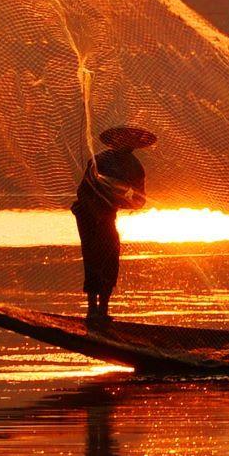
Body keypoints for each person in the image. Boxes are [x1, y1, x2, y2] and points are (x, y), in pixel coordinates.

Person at [72, 126, 154, 327]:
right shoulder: (99, 160)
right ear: (114, 142)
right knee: (92, 256)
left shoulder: (135, 167)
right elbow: (83, 191)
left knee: (111, 256)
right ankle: (92, 310)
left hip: (107, 213)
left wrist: (118, 204)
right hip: (87, 213)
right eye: (121, 141)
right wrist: (94, 209)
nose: (125, 145)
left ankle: (103, 310)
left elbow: (139, 199)